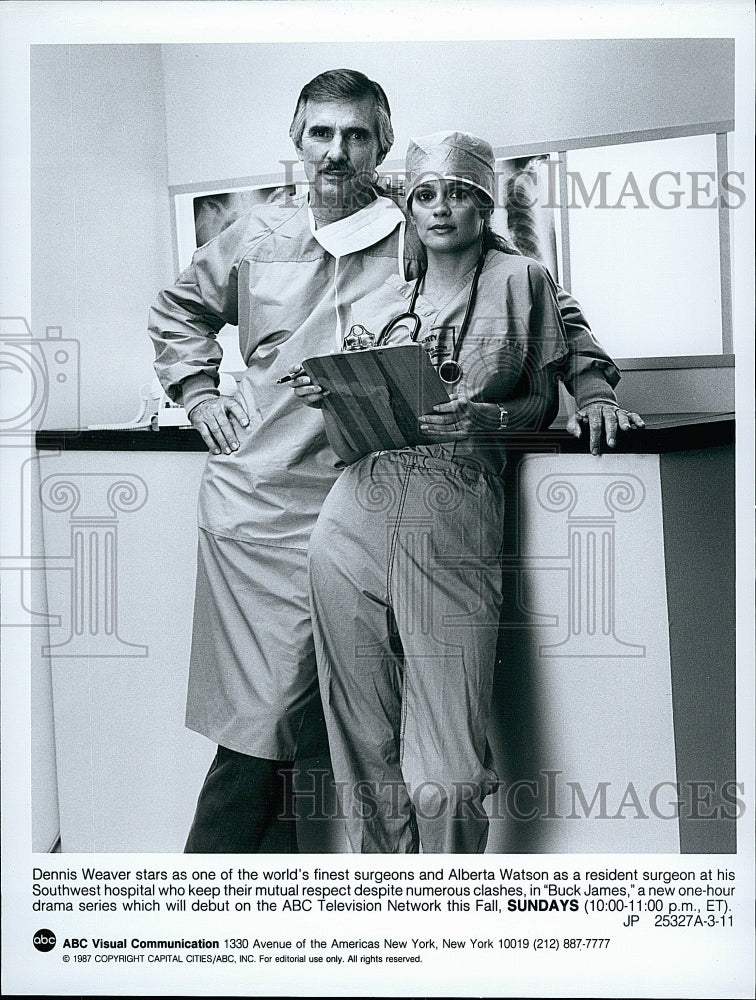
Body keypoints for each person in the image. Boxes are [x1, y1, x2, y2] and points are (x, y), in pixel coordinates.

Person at [149, 69, 640, 854]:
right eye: (320, 133)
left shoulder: (423, 222)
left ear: (382, 142)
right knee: (263, 727)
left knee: (361, 733)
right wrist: (198, 391)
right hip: (262, 508)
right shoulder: (255, 238)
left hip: (372, 495)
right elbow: (179, 311)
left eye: (355, 134)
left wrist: (591, 387)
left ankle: (360, 918)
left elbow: (544, 302)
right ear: (296, 139)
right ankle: (216, 921)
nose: (336, 152)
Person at [290, 131, 639, 853]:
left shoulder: (523, 282)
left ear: (483, 203)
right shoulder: (385, 293)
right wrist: (327, 389)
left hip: (451, 507)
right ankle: (386, 916)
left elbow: (547, 392)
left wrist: (508, 415)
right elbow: (361, 407)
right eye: (424, 194)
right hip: (353, 510)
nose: (440, 207)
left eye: (458, 192)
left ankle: (448, 919)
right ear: (408, 207)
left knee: (445, 772)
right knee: (360, 748)